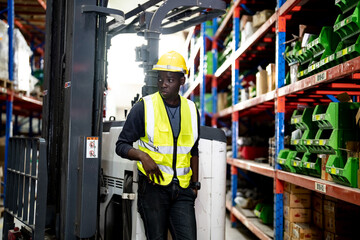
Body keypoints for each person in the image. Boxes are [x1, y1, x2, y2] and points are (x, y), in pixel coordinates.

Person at [116, 51, 200, 240]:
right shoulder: (144, 107)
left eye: (169, 79)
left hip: (183, 191)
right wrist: (142, 156)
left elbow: (193, 149)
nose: (163, 83)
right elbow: (121, 145)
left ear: (181, 80)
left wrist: (195, 184)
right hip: (153, 190)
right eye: (160, 79)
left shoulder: (192, 109)